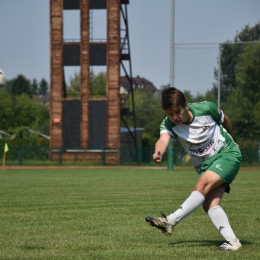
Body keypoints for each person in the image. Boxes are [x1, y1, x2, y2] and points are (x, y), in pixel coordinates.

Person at [145, 87, 242, 251]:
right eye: (170, 114)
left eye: (178, 112)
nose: (175, 117)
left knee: (201, 185)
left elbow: (225, 120)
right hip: (207, 165)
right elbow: (162, 139)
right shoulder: (168, 124)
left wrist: (232, 139)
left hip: (227, 154)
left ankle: (171, 220)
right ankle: (233, 242)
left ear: (186, 105)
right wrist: (158, 152)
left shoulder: (207, 108)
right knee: (210, 204)